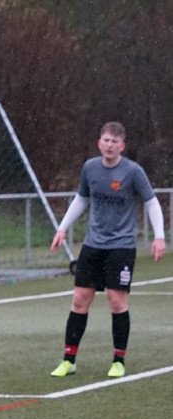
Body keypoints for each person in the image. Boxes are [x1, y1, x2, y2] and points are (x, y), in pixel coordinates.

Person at [49, 121, 166, 379]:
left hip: (121, 247)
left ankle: (118, 361)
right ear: (99, 143)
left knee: (116, 300)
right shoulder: (90, 168)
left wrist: (159, 236)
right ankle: (68, 360)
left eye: (115, 141)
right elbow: (81, 199)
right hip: (93, 245)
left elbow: (151, 202)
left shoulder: (133, 172)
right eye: (106, 140)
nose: (109, 145)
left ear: (122, 146)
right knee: (80, 299)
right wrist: (62, 228)